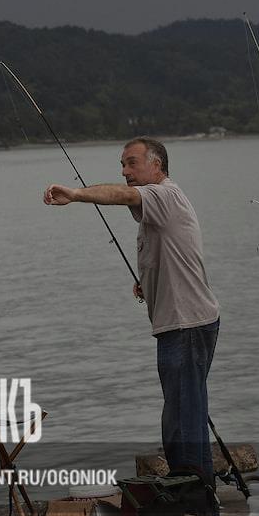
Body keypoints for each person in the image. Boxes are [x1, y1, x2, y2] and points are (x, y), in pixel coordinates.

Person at [43, 137, 220, 479]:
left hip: (187, 326)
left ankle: (195, 497)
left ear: (157, 165)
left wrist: (77, 194)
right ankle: (192, 494)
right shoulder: (155, 211)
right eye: (122, 165)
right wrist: (148, 281)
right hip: (180, 325)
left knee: (183, 422)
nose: (125, 172)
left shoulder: (164, 194)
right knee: (182, 416)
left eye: (132, 163)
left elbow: (124, 195)